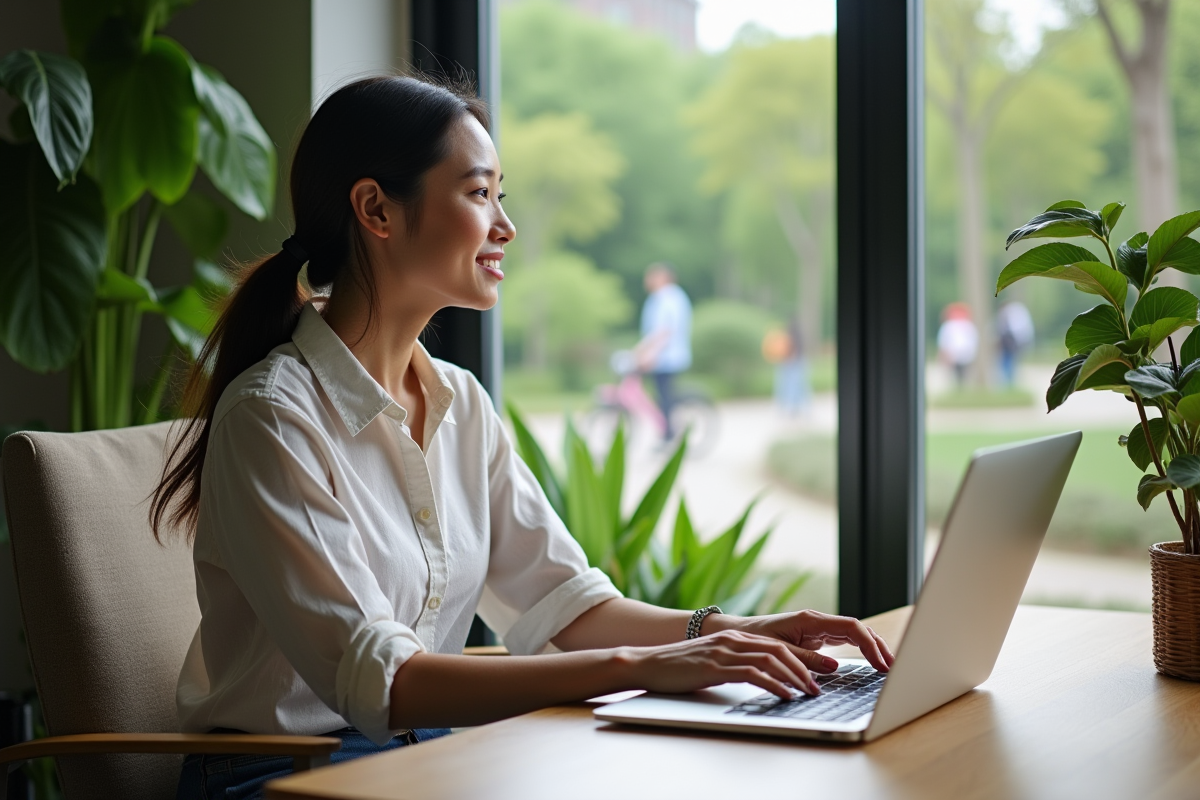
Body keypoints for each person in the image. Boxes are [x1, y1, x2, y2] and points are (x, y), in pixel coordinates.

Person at [152, 75, 893, 800]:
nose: (505, 226)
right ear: (376, 209)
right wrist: (645, 666)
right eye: (479, 194)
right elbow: (388, 683)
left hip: (420, 760)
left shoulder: (460, 404)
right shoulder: (273, 418)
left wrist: (734, 633)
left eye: (500, 196)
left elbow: (565, 606)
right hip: (282, 777)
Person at [635, 262, 692, 440]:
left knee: (665, 397)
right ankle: (666, 432)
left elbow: (665, 331)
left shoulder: (670, 298)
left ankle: (669, 434)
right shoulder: (659, 298)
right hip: (661, 356)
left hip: (667, 357)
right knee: (660, 396)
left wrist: (648, 353)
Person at [763, 316, 810, 416]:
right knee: (795, 386)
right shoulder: (793, 333)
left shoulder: (790, 334)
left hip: (792, 362)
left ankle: (793, 407)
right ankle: (792, 407)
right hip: (792, 361)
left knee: (793, 386)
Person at [937, 302, 978, 389]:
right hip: (955, 354)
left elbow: (972, 340)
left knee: (963, 374)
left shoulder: (966, 325)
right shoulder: (949, 325)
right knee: (955, 374)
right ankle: (958, 388)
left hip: (964, 354)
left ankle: (961, 388)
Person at [996, 300, 1034, 388]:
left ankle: (1008, 382)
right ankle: (1008, 382)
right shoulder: (1011, 316)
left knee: (1008, 363)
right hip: (1009, 345)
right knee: (1008, 363)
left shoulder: (1008, 317)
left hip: (1008, 345)